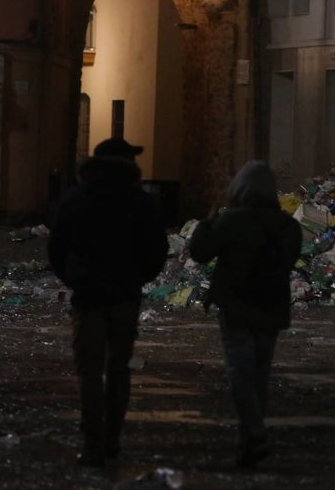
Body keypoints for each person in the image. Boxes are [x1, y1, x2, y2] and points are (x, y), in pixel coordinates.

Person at [47, 136, 168, 467]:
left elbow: (56, 247)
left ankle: (92, 441)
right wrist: (138, 277)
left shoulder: (77, 198)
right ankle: (112, 437)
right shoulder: (141, 202)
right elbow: (157, 249)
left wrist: (73, 277)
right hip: (125, 295)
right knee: (118, 368)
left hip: (88, 295)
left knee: (89, 370)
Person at [189, 160, 302, 469]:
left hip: (236, 305)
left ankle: (254, 433)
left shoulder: (230, 222)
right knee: (259, 374)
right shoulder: (288, 227)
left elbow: (199, 252)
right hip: (271, 307)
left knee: (240, 371)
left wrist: (208, 222)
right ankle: (249, 440)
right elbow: (287, 262)